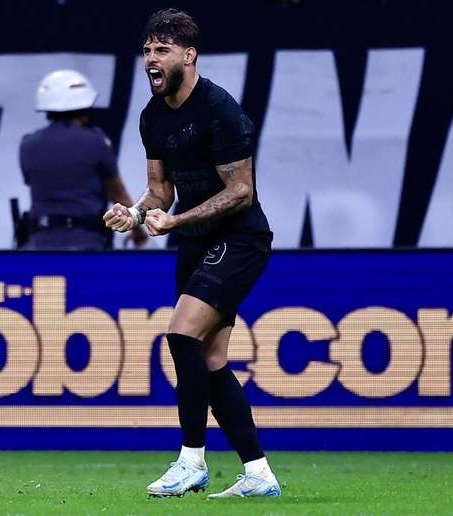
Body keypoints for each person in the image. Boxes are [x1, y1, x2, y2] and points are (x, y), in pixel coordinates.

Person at [104, 8, 281, 499]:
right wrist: (136, 215)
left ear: (189, 55)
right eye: (146, 51)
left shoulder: (219, 108)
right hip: (196, 241)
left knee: (181, 335)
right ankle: (259, 476)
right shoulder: (152, 116)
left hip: (240, 238)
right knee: (212, 357)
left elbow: (241, 191)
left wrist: (177, 220)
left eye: (161, 50)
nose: (150, 60)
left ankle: (191, 461)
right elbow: (159, 190)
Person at [19, 69, 147, 250]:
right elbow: (117, 193)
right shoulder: (96, 141)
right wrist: (137, 229)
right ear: (84, 107)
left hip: (37, 248)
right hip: (86, 248)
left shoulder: (27, 145)